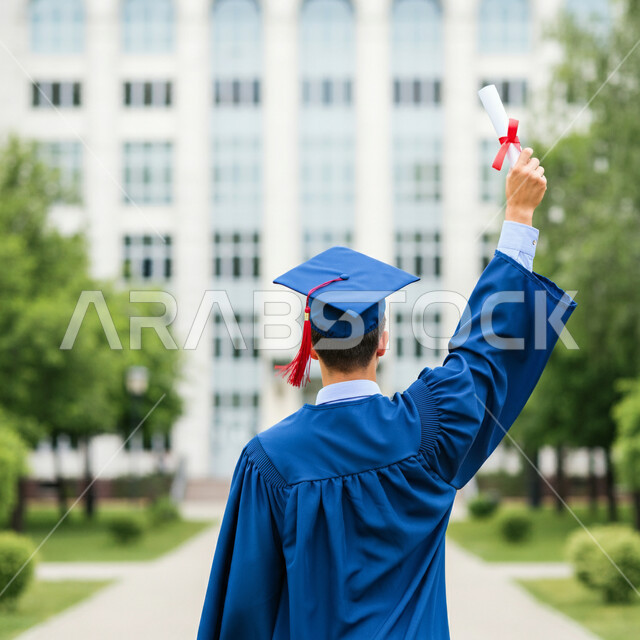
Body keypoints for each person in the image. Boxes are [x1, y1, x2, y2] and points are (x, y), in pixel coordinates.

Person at [197, 148, 576, 639]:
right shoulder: (427, 431)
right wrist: (518, 216)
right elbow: (485, 356)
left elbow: (244, 612)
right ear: (383, 341)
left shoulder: (268, 461)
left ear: (310, 347)